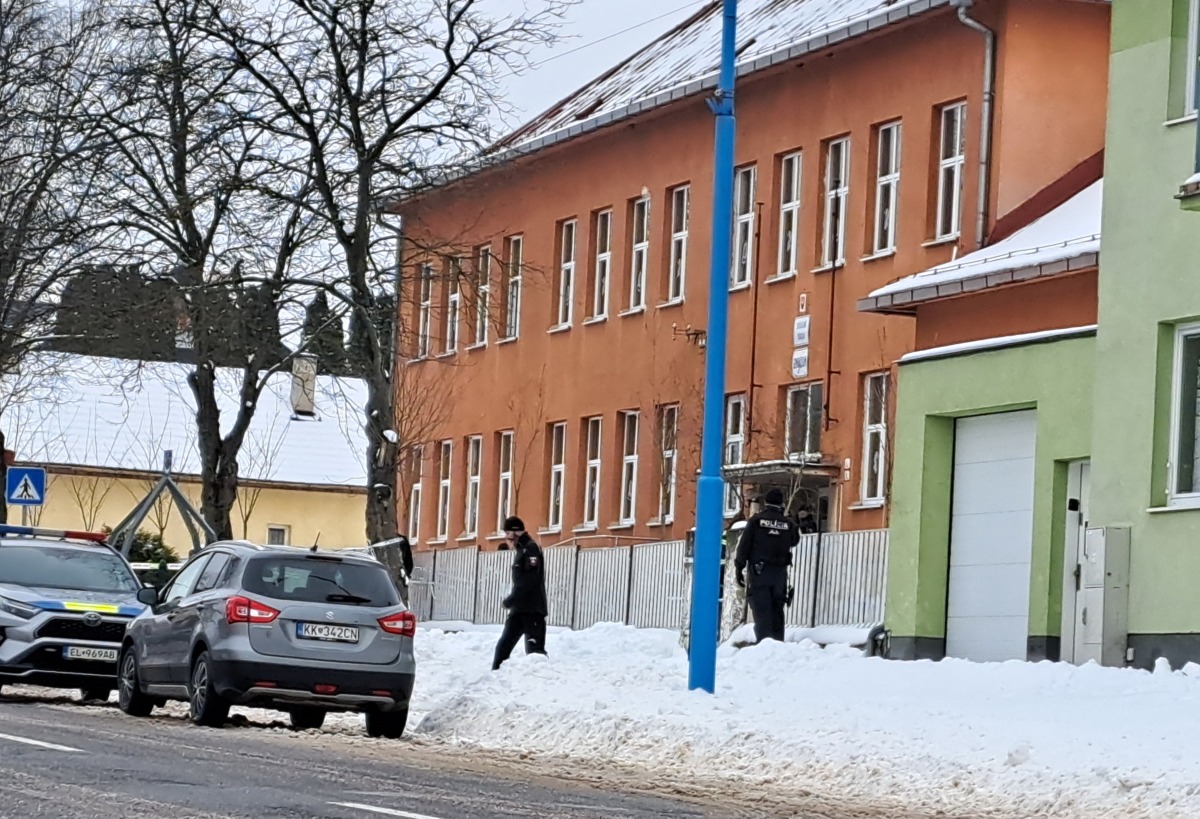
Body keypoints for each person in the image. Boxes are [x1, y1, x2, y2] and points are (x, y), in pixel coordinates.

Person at [734, 488, 800, 644]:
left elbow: (745, 545)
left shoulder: (756, 521)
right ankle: (777, 643)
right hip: (779, 573)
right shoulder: (788, 524)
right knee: (777, 609)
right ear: (782, 504)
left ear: (766, 503)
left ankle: (764, 644)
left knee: (762, 608)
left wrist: (739, 567)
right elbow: (794, 541)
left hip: (759, 572)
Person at [492, 516, 548, 669]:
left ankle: (541, 683)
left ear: (514, 533)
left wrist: (511, 600)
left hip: (532, 610)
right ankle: (495, 678)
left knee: (535, 654)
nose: (506, 538)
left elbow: (529, 580)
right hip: (519, 610)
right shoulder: (521, 550)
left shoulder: (530, 549)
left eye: (507, 533)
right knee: (503, 647)